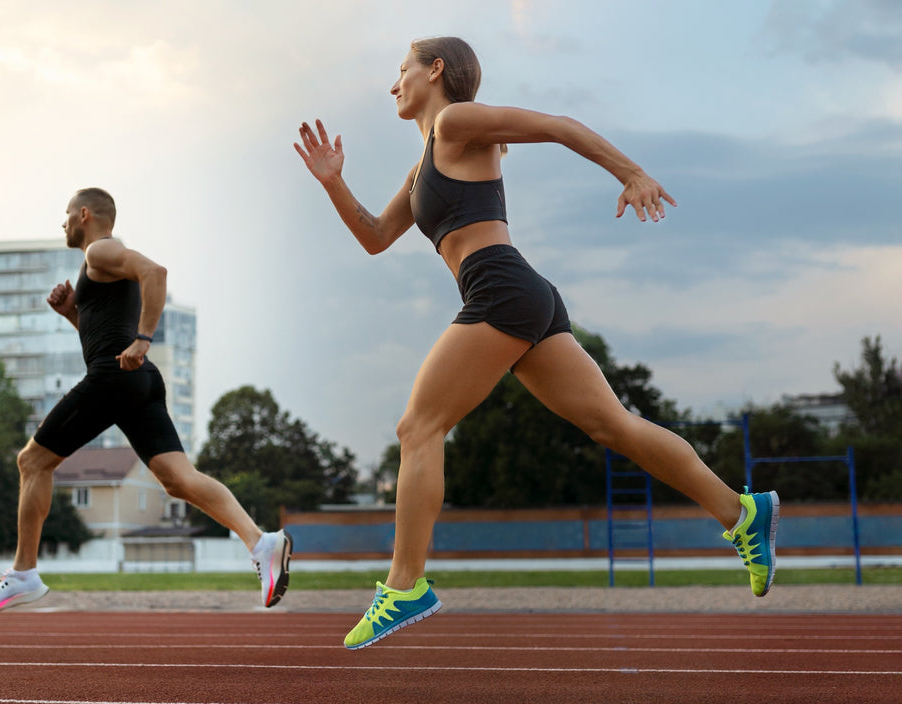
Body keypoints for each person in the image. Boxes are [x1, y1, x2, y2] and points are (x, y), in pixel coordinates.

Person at [294, 37, 778, 650]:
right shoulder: (425, 161)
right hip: (520, 294)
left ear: (435, 71)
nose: (394, 85)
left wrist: (631, 173)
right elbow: (374, 235)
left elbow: (555, 125)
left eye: (402, 70)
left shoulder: (456, 120)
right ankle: (742, 513)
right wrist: (334, 183)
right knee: (616, 427)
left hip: (501, 289)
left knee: (418, 429)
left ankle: (405, 585)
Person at [0, 187, 292, 613]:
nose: (63, 223)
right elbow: (105, 331)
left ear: (84, 214)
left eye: (66, 215)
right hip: (137, 380)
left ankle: (24, 574)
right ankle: (261, 542)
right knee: (178, 479)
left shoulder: (100, 251)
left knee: (32, 461)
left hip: (114, 376)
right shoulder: (99, 266)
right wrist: (73, 312)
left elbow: (155, 273)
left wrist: (143, 339)